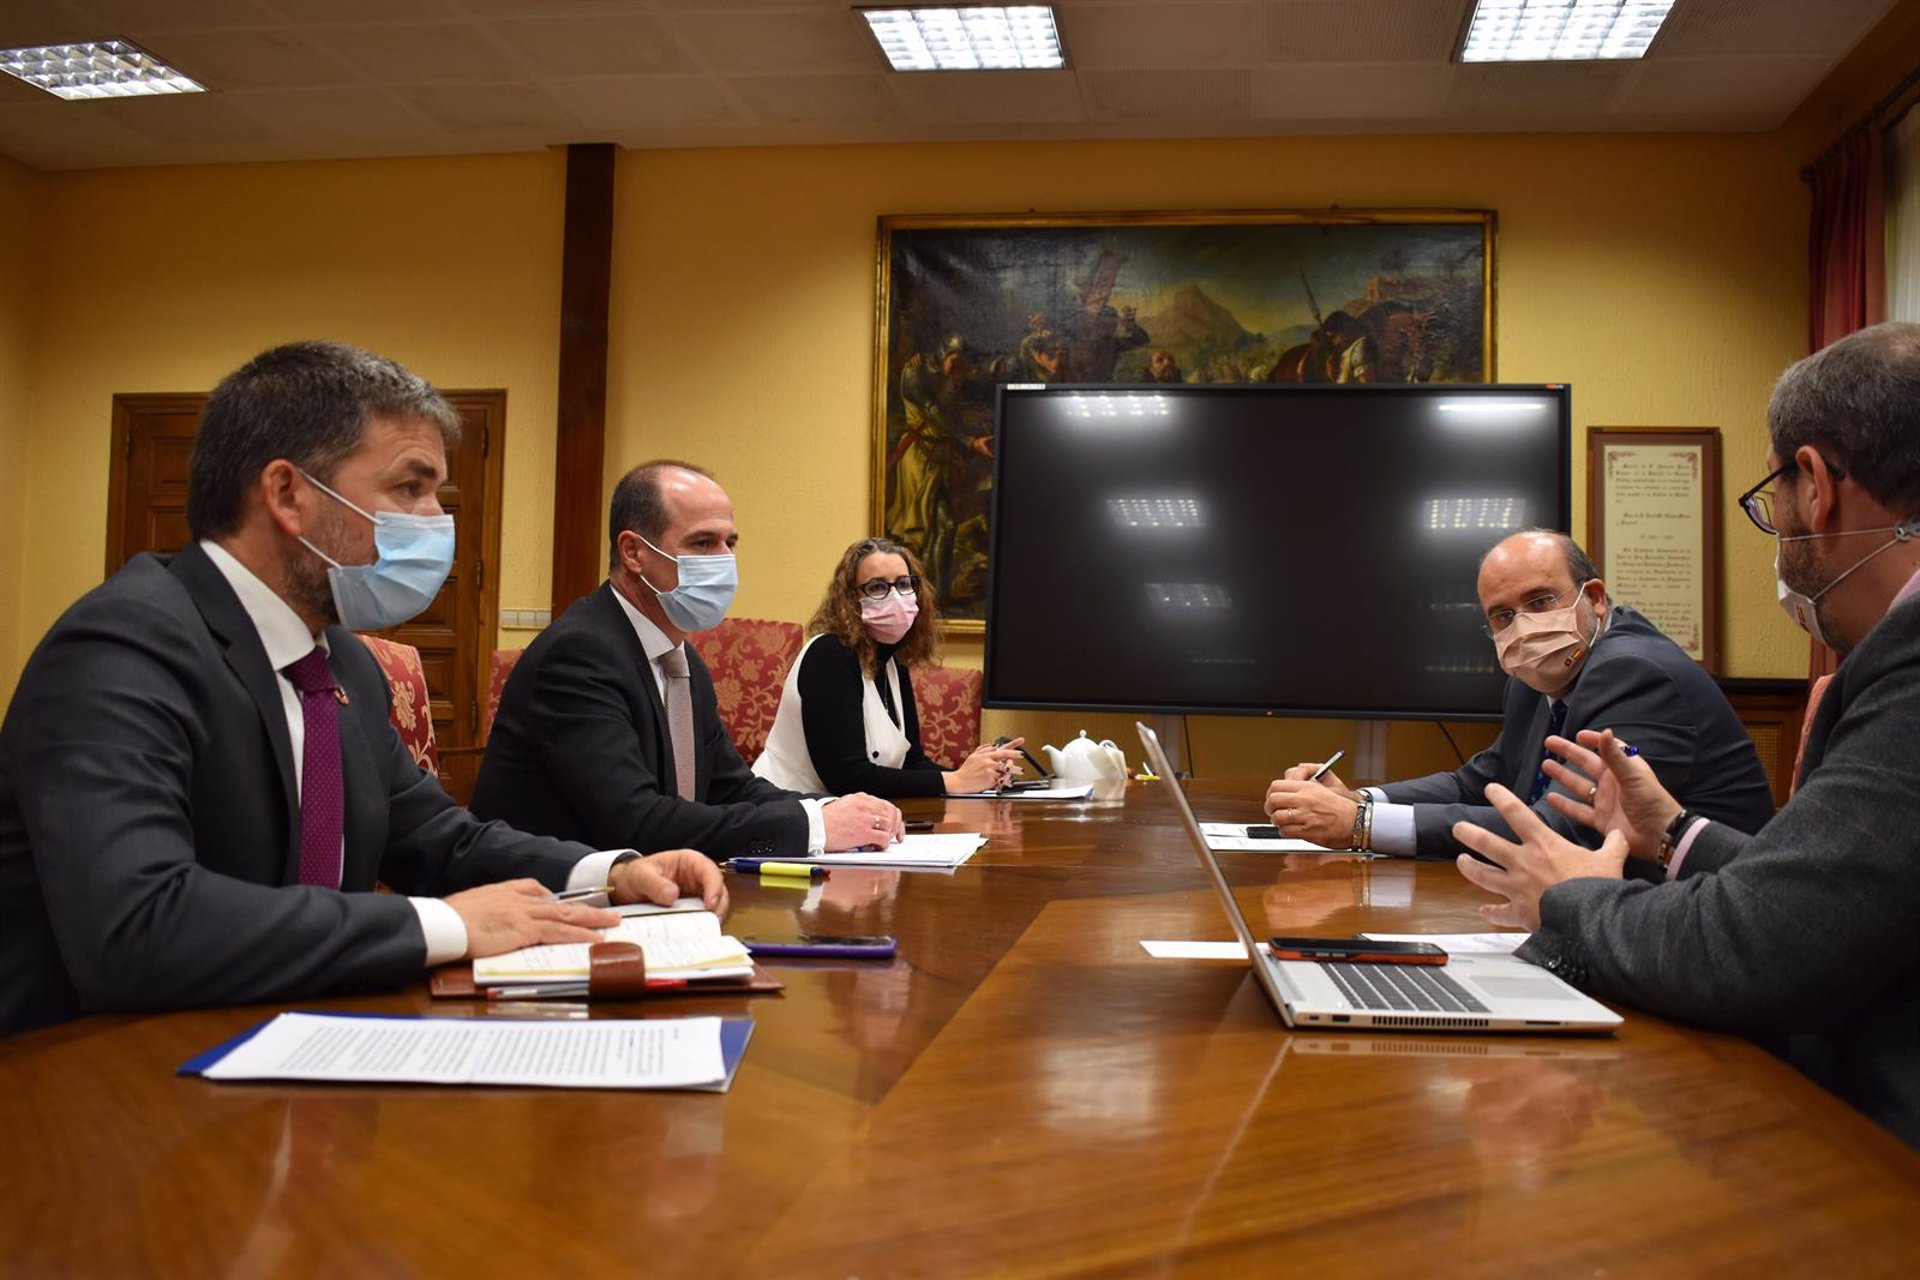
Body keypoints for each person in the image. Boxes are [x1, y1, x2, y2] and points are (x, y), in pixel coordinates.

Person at [0, 342, 724, 1039]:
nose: (438, 521)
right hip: (96, 1080)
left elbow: (441, 841)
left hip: (290, 1040)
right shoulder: (123, 646)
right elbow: (138, 926)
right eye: (410, 487)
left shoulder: (339, 662)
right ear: (287, 494)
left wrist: (613, 871)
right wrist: (442, 925)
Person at [1449, 321, 1920, 1147]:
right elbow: (1847, 896)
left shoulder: (1909, 660)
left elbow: (1766, 947)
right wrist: (1673, 832)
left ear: (1814, 482)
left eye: (1773, 492)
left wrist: (1569, 901)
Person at [471, 461, 905, 860]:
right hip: (548, 903)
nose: (724, 560)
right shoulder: (579, 655)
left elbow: (728, 787)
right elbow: (636, 822)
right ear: (633, 552)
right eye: (702, 543)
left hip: (645, 895)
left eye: (729, 543)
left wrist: (837, 809)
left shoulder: (683, 661)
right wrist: (815, 827)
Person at [1264, 529, 1773, 860]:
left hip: (1698, 910)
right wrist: (1361, 799)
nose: (1524, 627)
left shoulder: (1634, 673)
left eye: (1540, 600)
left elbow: (1564, 829)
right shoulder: (1535, 681)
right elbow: (1481, 782)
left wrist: (1360, 825)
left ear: (1594, 599)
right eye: (1503, 616)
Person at [752, 537, 1025, 798]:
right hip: (785, 812)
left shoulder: (893, 662)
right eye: (877, 587)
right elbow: (847, 776)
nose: (895, 595)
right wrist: (955, 781)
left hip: (844, 820)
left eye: (904, 584)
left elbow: (911, 762)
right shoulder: (829, 655)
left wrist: (976, 777)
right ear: (850, 598)